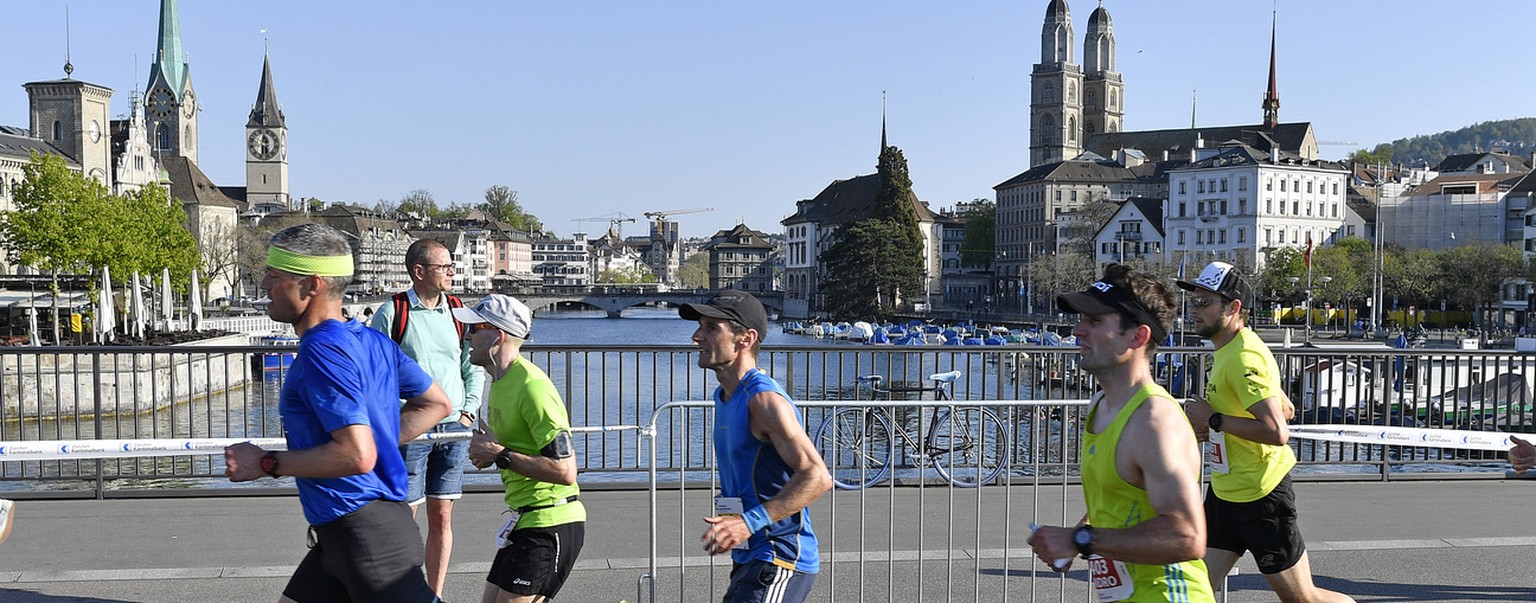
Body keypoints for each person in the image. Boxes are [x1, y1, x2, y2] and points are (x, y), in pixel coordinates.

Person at [225, 223, 452, 603]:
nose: (263, 283)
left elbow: (355, 454)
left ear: (312, 285)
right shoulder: (372, 341)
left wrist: (265, 463)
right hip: (346, 533)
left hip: (365, 536)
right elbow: (437, 403)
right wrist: (377, 440)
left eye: (274, 275)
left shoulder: (322, 350)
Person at [1028, 264, 1215, 602]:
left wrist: (1082, 541)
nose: (1077, 331)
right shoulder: (1101, 404)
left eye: (1094, 321)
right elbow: (1116, 499)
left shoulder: (1155, 421)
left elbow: (1188, 536)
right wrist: (1078, 534)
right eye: (1081, 318)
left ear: (1138, 337)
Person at [1177, 261, 1355, 603]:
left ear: (1233, 308)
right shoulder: (1232, 349)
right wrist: (1217, 428)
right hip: (1226, 494)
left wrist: (1215, 420)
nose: (1193, 310)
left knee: (1303, 599)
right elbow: (1285, 408)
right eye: (1192, 301)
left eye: (1203, 302)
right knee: (1191, 591)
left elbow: (1277, 430)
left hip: (1261, 498)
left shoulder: (1244, 357)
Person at [679, 290, 832, 603]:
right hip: (750, 557)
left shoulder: (763, 400)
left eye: (711, 328)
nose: (697, 336)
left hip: (780, 557)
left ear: (744, 339)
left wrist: (748, 523)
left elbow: (817, 476)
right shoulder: (723, 397)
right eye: (700, 326)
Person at [369, 238, 486, 596]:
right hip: (414, 429)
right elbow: (375, 373)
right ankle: (399, 593)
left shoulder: (457, 310)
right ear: (419, 272)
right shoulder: (393, 312)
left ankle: (433, 594)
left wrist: (468, 410)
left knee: (442, 516)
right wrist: (394, 421)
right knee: (406, 520)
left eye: (452, 266)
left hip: (453, 429)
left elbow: (472, 365)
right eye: (444, 266)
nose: (452, 272)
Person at [456, 294, 585, 603]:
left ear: (497, 336)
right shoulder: (500, 382)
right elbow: (514, 449)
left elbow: (566, 470)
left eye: (474, 329)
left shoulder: (533, 387)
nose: (467, 336)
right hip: (524, 520)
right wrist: (493, 454)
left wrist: (500, 455)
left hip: (550, 522)